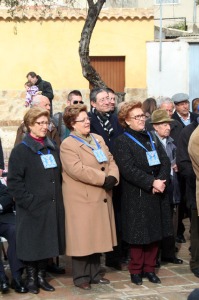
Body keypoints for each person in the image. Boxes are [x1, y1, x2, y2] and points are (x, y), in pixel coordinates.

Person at [113, 101, 173, 286]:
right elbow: (128, 169)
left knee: (155, 233)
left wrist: (161, 181)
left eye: (142, 116)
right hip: (137, 195)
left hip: (157, 192)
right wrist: (151, 182)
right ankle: (136, 270)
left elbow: (165, 161)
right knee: (138, 236)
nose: (141, 120)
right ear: (126, 121)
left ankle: (150, 269)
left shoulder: (152, 137)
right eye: (136, 117)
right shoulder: (122, 141)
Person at [60, 104, 119, 290]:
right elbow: (76, 169)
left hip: (101, 194)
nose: (87, 122)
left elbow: (111, 160)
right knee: (82, 239)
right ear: (72, 124)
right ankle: (81, 277)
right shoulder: (68, 144)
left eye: (88, 119)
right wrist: (103, 178)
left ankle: (95, 274)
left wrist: (114, 177)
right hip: (82, 198)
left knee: (96, 236)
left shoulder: (98, 138)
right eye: (82, 120)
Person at [7, 107, 65, 294]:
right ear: (30, 125)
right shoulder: (21, 151)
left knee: (46, 242)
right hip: (32, 207)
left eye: (45, 123)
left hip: (50, 205)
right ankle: (31, 278)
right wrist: (29, 202)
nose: (44, 126)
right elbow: (14, 182)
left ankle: (41, 276)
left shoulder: (51, 147)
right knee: (32, 243)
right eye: (39, 123)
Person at [88, 88, 126, 270]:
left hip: (119, 173)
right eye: (103, 99)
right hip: (101, 174)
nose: (108, 102)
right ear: (93, 103)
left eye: (110, 99)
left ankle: (116, 256)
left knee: (119, 216)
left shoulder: (116, 119)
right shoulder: (89, 121)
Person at [150, 109, 183, 265]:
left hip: (173, 186)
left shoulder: (171, 142)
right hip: (158, 186)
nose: (168, 128)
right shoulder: (151, 142)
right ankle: (155, 256)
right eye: (164, 125)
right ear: (155, 126)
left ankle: (169, 253)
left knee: (172, 221)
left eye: (168, 124)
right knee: (158, 222)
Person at [172, 93, 197, 243]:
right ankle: (180, 231)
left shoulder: (194, 117)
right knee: (182, 199)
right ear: (176, 106)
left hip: (195, 162)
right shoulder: (174, 120)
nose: (185, 106)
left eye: (186, 103)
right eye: (181, 104)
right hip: (183, 163)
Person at [177, 116, 199, 277]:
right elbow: (186, 163)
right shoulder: (193, 134)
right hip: (194, 187)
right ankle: (196, 262)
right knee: (196, 229)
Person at [0, 181, 27, 294]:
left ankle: (16, 277)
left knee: (16, 232)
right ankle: (1, 279)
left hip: (4, 218)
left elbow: (8, 195)